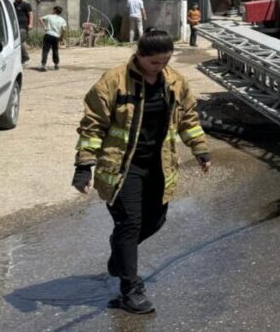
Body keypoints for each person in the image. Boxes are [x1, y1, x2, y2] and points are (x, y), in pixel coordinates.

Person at [72, 29, 211, 315]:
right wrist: (84, 167)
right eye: (154, 63)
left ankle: (120, 255)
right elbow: (92, 125)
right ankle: (130, 290)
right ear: (139, 55)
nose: (160, 68)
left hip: (159, 165)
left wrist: (200, 150)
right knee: (130, 224)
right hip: (123, 167)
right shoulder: (114, 82)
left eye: (165, 62)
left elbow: (188, 119)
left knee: (156, 221)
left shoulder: (175, 82)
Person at [39, 6, 67, 71]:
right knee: (55, 50)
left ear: (54, 10)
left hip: (48, 35)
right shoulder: (62, 20)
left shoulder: (49, 16)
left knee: (45, 50)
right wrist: (61, 37)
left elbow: (40, 19)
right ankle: (56, 64)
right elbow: (64, 29)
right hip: (56, 37)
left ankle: (43, 65)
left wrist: (45, 27)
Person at [13, 0, 33, 64]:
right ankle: (20, 58)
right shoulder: (13, 5)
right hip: (15, 26)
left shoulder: (26, 5)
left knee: (19, 41)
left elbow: (30, 14)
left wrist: (30, 24)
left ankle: (26, 58)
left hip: (23, 26)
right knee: (17, 42)